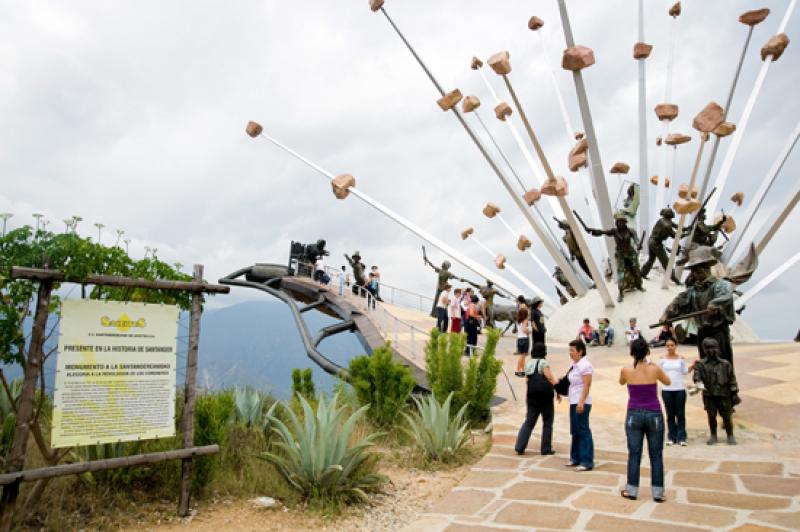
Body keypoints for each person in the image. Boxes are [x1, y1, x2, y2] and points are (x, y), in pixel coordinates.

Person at [662, 246, 736, 368]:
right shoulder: (693, 291)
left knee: (723, 364)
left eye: (697, 269)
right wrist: (666, 314)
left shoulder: (721, 284)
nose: (694, 273)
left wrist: (715, 304)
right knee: (706, 363)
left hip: (718, 332)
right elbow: (679, 302)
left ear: (706, 268)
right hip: (702, 332)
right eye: (693, 270)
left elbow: (725, 296)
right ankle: (708, 385)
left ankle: (727, 386)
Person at [619, 338, 670, 502]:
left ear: (632, 352)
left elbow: (621, 382)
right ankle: (658, 492)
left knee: (634, 453)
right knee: (656, 454)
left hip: (633, 413)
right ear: (647, 351)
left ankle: (632, 489)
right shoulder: (654, 368)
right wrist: (652, 365)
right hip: (654, 412)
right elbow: (667, 381)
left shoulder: (626, 369)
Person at [584, 213, 645, 302]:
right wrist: (591, 230)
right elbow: (602, 232)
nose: (621, 223)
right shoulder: (614, 231)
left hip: (630, 253)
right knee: (620, 274)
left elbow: (636, 239)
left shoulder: (631, 231)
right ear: (617, 222)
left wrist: (638, 244)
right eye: (619, 222)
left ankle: (639, 285)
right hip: (620, 254)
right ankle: (620, 292)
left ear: (625, 222)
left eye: (623, 222)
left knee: (636, 269)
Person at [515, 342, 559, 456]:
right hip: (545, 398)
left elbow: (527, 380)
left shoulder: (529, 364)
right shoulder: (543, 363)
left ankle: (520, 446)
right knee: (548, 422)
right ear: (544, 352)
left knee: (529, 422)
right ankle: (545, 448)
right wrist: (557, 389)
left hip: (532, 397)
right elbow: (549, 377)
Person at [693, 338, 739, 445]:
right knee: (711, 415)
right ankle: (713, 435)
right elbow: (696, 376)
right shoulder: (700, 364)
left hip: (724, 394)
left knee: (727, 415)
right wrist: (698, 382)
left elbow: (732, 379)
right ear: (704, 349)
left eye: (713, 347)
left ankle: (730, 435)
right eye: (708, 348)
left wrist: (734, 393)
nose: (711, 350)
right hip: (709, 394)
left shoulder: (725, 364)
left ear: (718, 348)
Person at [566, 339, 594, 471]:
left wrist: (581, 401)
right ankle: (575, 458)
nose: (570, 353)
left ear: (580, 351)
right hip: (573, 400)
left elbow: (587, 385)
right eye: (570, 350)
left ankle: (586, 460)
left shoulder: (585, 365)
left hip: (581, 401)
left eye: (572, 350)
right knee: (575, 431)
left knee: (583, 430)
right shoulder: (575, 365)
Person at [658, 337, 688, 446]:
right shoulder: (662, 359)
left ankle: (682, 437)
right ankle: (671, 437)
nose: (670, 347)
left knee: (680, 414)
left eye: (672, 345)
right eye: (668, 345)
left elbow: (685, 371)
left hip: (679, 389)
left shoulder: (681, 358)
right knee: (670, 414)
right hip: (667, 390)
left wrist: (694, 365)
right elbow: (658, 372)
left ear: (676, 346)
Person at [514, 308, 530, 377]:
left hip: (519, 339)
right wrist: (529, 331)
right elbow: (524, 330)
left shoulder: (518, 321)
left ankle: (523, 370)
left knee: (522, 355)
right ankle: (518, 370)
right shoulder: (525, 320)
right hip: (524, 339)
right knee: (522, 356)